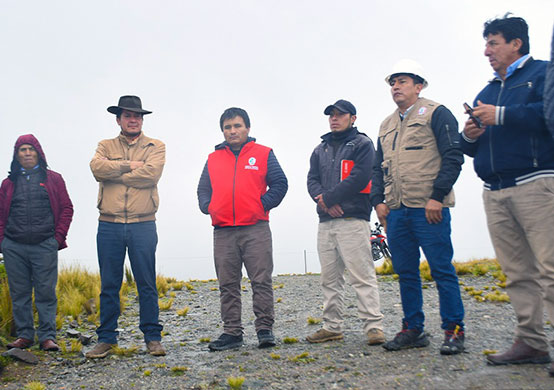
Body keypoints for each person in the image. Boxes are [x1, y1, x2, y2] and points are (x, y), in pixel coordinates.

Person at [459, 15, 554, 371]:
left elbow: (548, 117)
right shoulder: (486, 91)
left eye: (493, 43)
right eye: (486, 44)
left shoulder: (544, 74)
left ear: (517, 43)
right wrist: (470, 134)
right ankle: (531, 342)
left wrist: (501, 114)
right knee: (517, 273)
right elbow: (468, 147)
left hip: (537, 183)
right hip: (494, 190)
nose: (486, 51)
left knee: (550, 268)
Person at [370, 59, 466, 355]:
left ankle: (454, 330)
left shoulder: (437, 114)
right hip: (397, 211)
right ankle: (413, 328)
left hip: (429, 209)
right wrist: (378, 201)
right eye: (392, 83)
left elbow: (453, 155)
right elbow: (377, 168)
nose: (396, 87)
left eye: (402, 81)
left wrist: (437, 196)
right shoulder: (386, 125)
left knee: (441, 270)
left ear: (418, 85)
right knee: (406, 272)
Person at [197, 107, 288, 351]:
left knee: (260, 280)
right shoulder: (213, 158)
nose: (232, 131)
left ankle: (265, 330)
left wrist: (261, 206)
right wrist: (209, 207)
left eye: (237, 126)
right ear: (223, 131)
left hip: (256, 228)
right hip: (223, 230)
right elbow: (203, 189)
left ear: (247, 128)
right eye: (227, 127)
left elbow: (280, 183)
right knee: (228, 283)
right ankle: (232, 332)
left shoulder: (263, 153)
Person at [87, 96, 166, 358]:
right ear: (118, 119)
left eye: (138, 116)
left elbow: (151, 175)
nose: (134, 120)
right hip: (109, 225)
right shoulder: (104, 145)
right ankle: (106, 338)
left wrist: (116, 173)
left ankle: (153, 338)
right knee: (109, 284)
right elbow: (97, 169)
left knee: (146, 283)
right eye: (128, 115)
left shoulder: (156, 146)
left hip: (143, 224)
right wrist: (130, 166)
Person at [305, 99, 385, 346]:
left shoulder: (362, 144)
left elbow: (360, 177)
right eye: (331, 115)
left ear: (353, 118)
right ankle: (332, 326)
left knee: (361, 275)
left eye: (340, 115)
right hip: (326, 222)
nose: (334, 119)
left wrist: (328, 198)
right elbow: (312, 180)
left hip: (353, 220)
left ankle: (374, 327)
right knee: (329, 279)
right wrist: (324, 201)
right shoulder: (320, 149)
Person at [0, 134, 73, 351]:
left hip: (44, 244)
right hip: (14, 246)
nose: (27, 153)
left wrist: (57, 238)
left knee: (46, 292)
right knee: (19, 293)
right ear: (16, 155)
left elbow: (66, 208)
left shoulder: (53, 179)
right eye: (22, 149)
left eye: (31, 149)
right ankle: (25, 336)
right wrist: (2, 239)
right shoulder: (8, 183)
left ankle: (47, 337)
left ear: (38, 152)